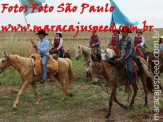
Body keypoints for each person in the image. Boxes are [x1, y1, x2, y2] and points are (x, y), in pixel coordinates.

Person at [116, 27, 134, 93]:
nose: (122, 33)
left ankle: (129, 83)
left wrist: (122, 58)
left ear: (127, 33)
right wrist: (117, 43)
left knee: (129, 70)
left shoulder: (130, 40)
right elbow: (118, 48)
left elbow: (129, 51)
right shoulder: (121, 40)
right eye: (122, 32)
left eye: (123, 32)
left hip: (128, 57)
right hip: (121, 55)